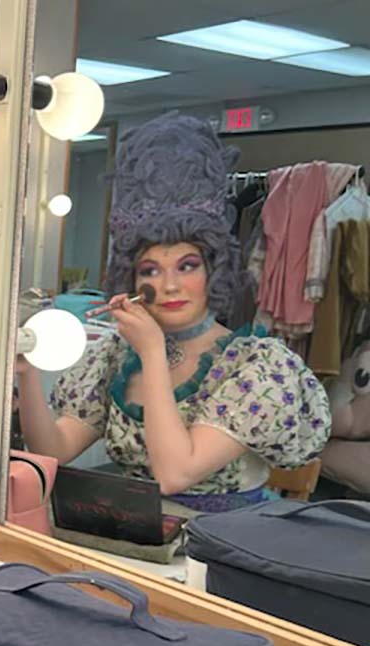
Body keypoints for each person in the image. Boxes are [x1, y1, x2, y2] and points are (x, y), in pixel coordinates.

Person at [18, 113, 332, 512]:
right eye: (151, 270)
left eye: (187, 266)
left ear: (213, 270)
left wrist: (152, 352)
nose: (169, 285)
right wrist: (27, 374)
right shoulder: (116, 357)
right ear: (131, 280)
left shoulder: (258, 367)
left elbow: (175, 474)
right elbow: (54, 449)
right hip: (132, 531)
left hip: (221, 539)